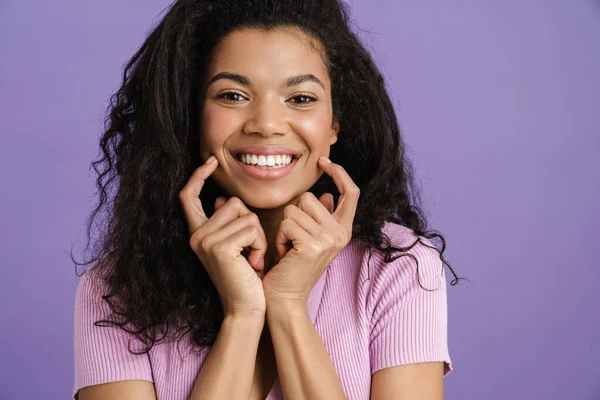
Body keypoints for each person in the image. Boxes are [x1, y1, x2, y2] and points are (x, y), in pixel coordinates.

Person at [73, 0, 460, 398]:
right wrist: (241, 317)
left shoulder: (397, 267)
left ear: (335, 123)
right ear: (190, 119)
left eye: (302, 99)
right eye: (233, 95)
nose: (267, 125)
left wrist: (289, 306)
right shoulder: (115, 287)